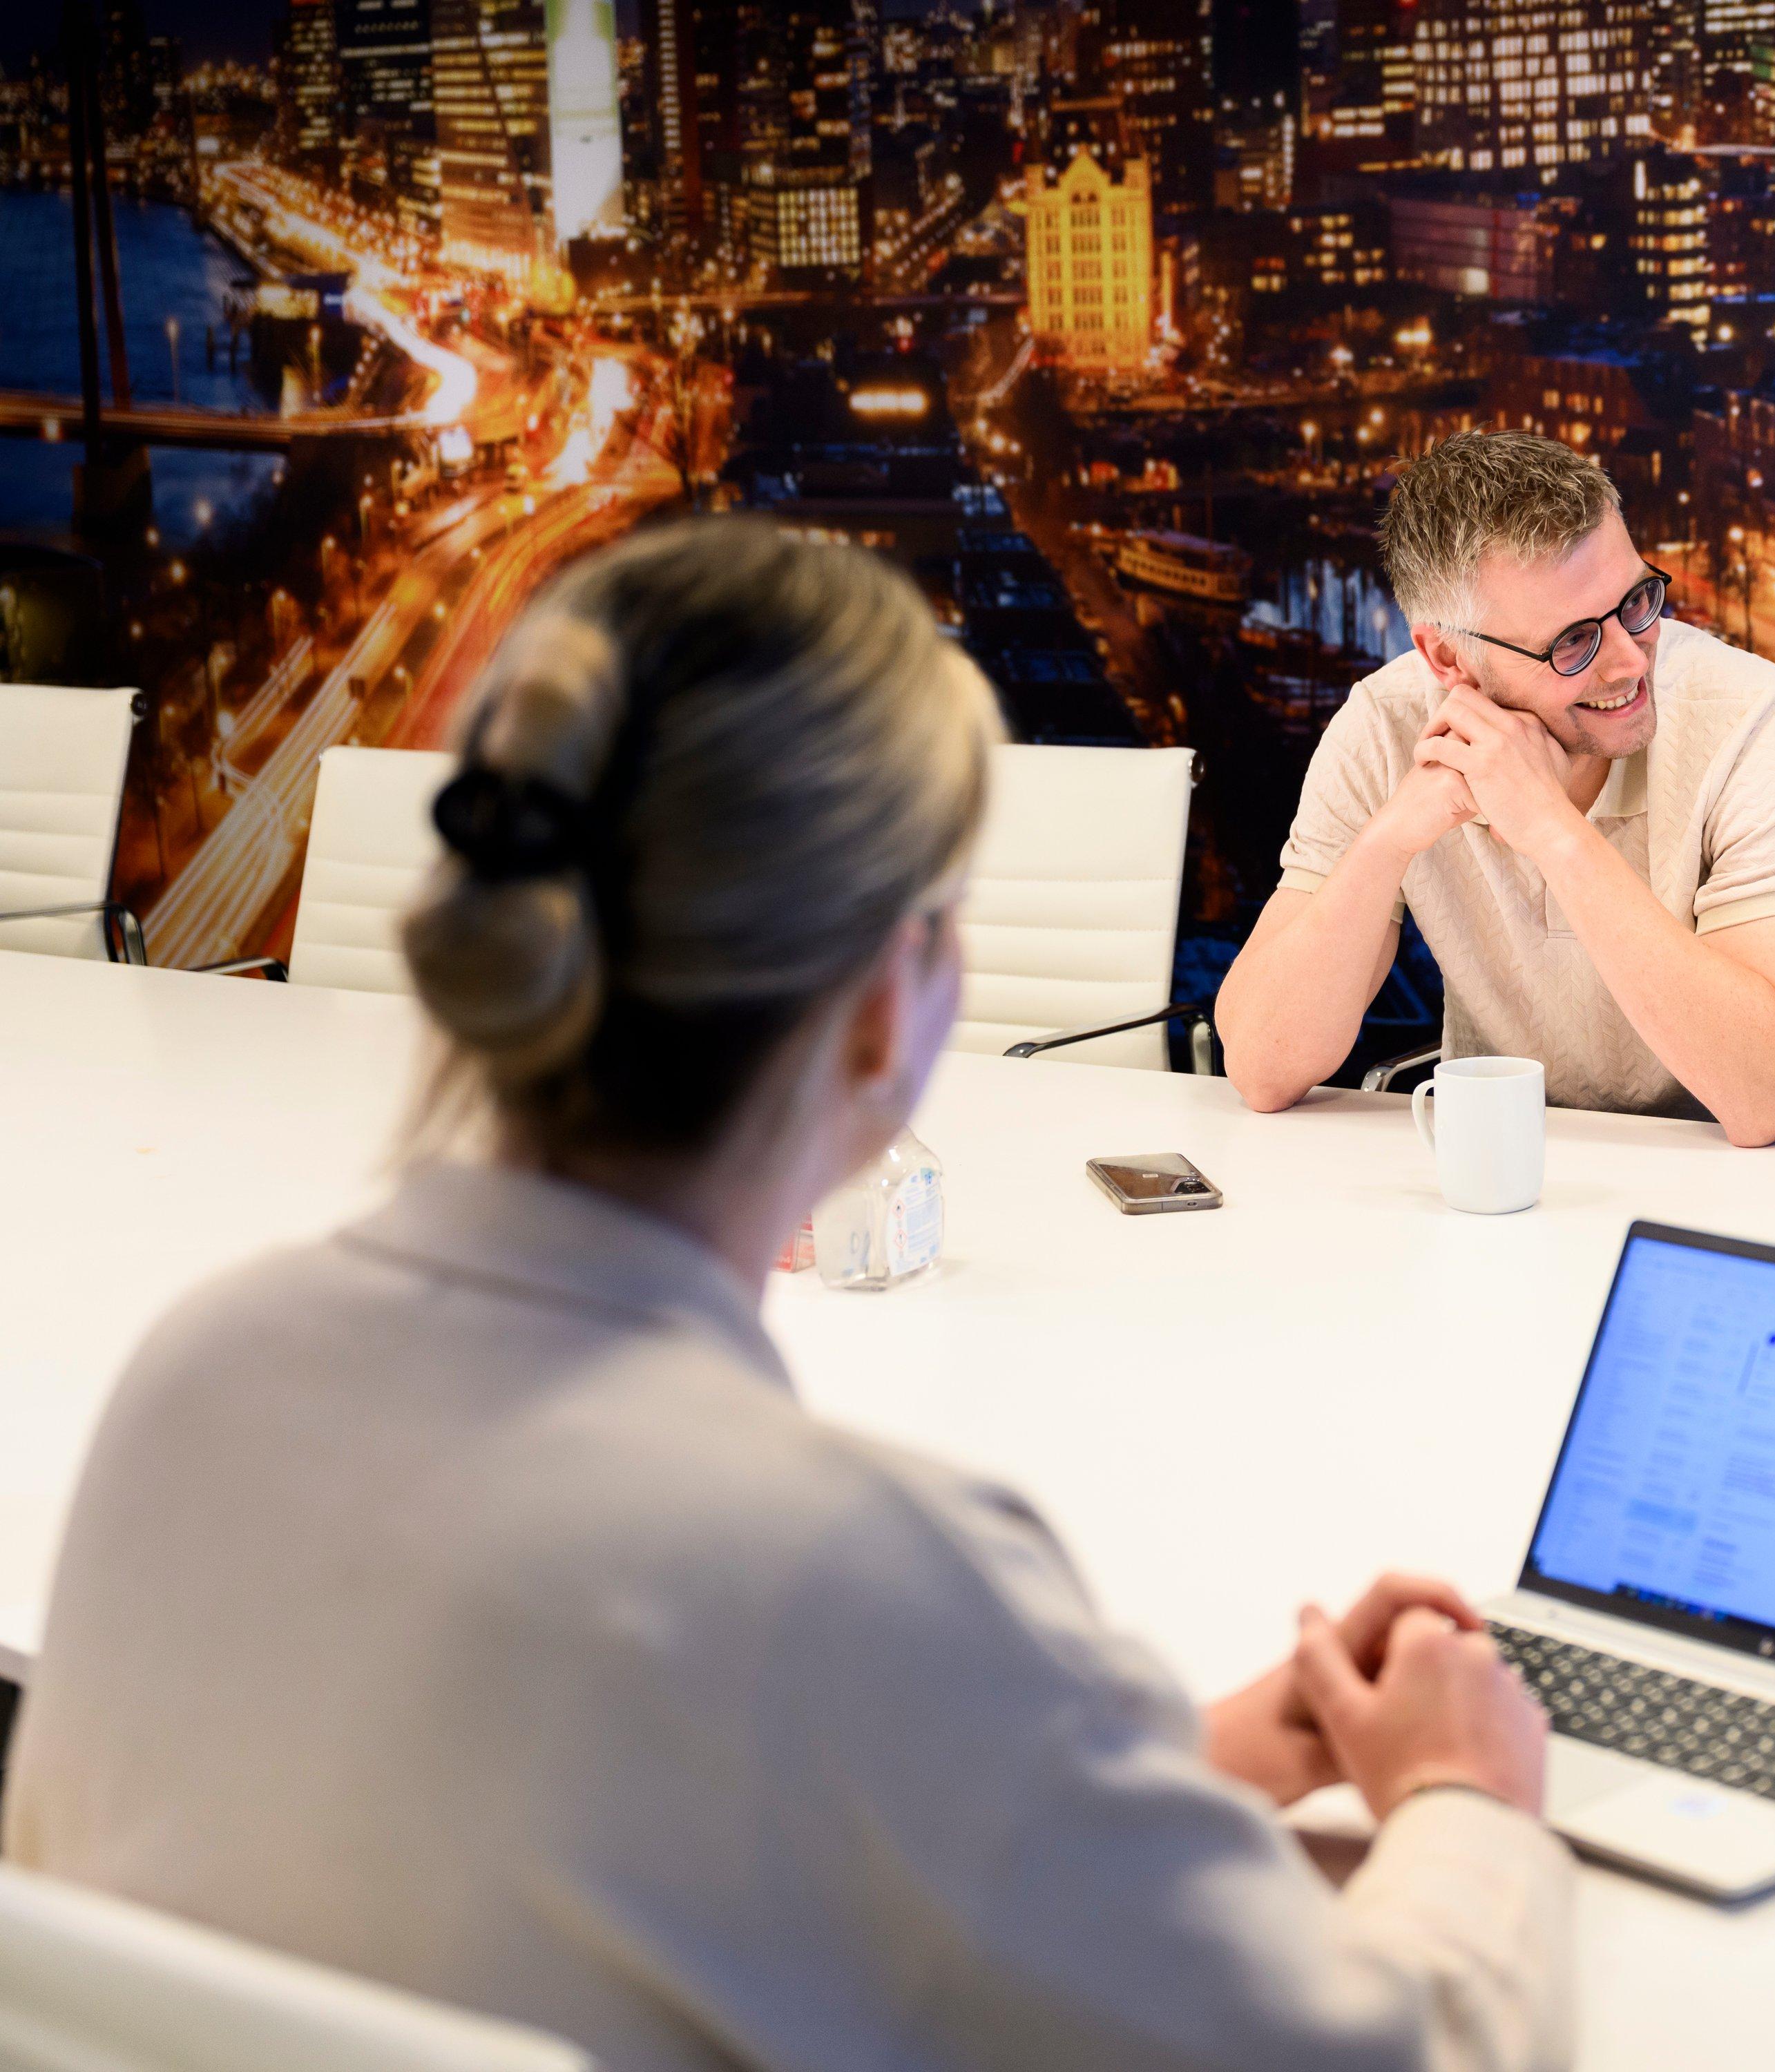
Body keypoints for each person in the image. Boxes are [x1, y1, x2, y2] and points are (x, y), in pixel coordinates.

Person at [1, 523, 1572, 2072]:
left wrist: (1135, 1763)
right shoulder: (847, 1573)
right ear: (891, 1008)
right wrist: (1461, 1796)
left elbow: (671, 1808)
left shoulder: (196, 1378)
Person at [1214, 431, 1775, 1146]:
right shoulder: (1385, 724)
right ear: (1445, 656)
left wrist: (1552, 830)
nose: (1628, 662)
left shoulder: (1765, 721)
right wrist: (1392, 836)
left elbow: (1764, 1098)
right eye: (1571, 642)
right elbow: (1262, 1067)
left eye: (1636, 602)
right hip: (1538, 1166)